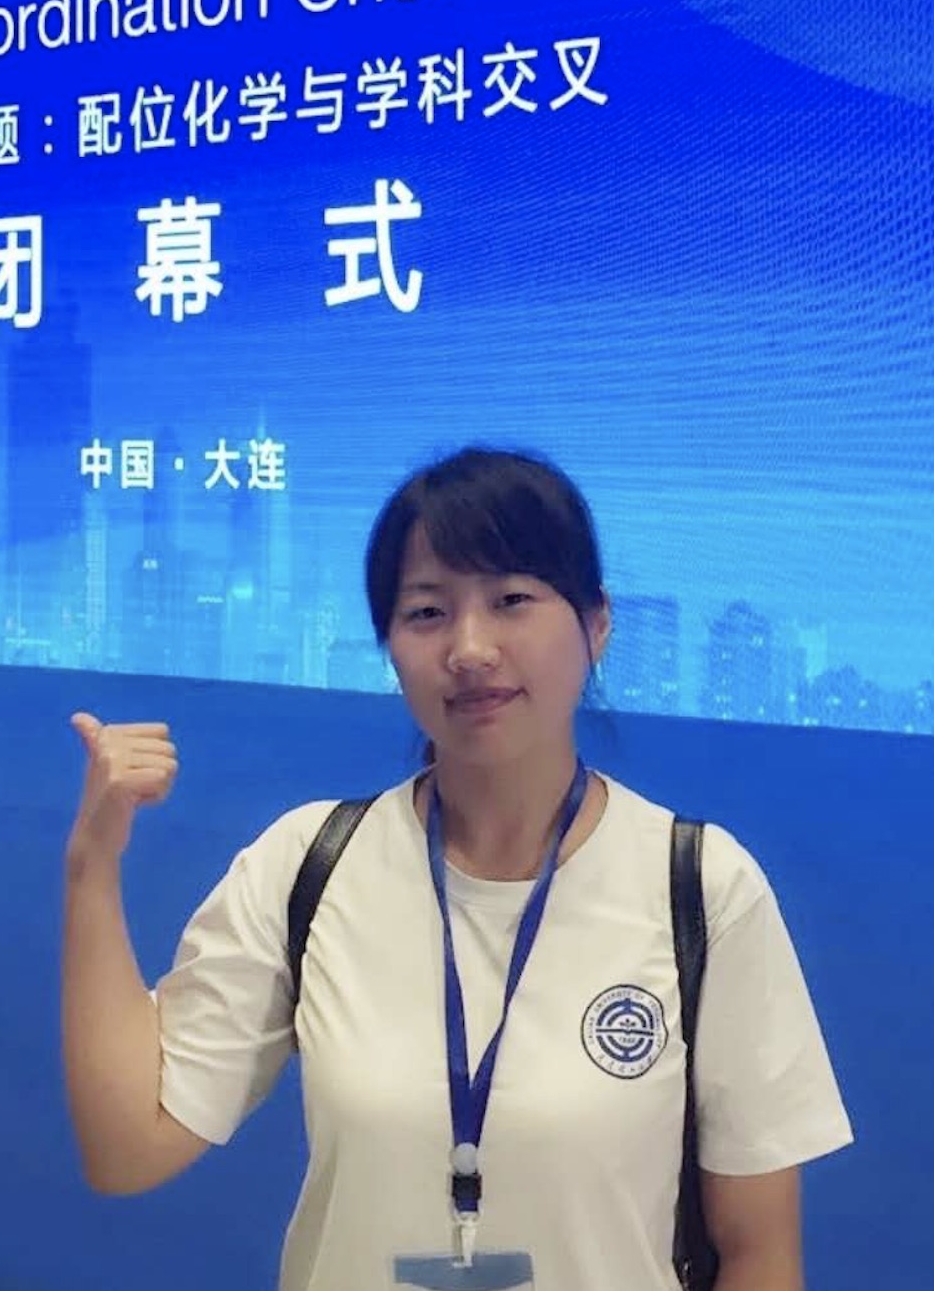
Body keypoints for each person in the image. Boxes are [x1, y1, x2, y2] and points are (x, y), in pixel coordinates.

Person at [62, 446, 852, 1291]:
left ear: (596, 624)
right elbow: (128, 1148)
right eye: (427, 612)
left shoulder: (699, 887)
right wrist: (91, 867)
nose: (470, 648)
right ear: (389, 644)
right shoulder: (310, 866)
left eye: (511, 600)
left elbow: (759, 1253)